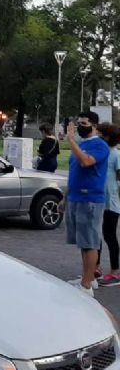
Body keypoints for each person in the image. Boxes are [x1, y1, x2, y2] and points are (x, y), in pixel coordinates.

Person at [61, 111, 109, 297]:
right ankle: (88, 277)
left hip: (90, 200)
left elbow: (86, 162)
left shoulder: (100, 146)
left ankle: (86, 285)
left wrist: (70, 140)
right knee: (83, 242)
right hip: (76, 198)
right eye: (78, 123)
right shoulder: (81, 145)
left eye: (83, 123)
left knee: (90, 242)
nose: (79, 126)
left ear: (94, 126)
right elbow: (74, 173)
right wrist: (65, 197)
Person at [97, 123, 120, 287]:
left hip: (112, 202)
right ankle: (95, 267)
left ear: (108, 137)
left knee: (109, 236)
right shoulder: (103, 154)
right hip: (99, 200)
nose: (98, 137)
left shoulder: (117, 155)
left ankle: (115, 271)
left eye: (101, 134)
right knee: (96, 235)